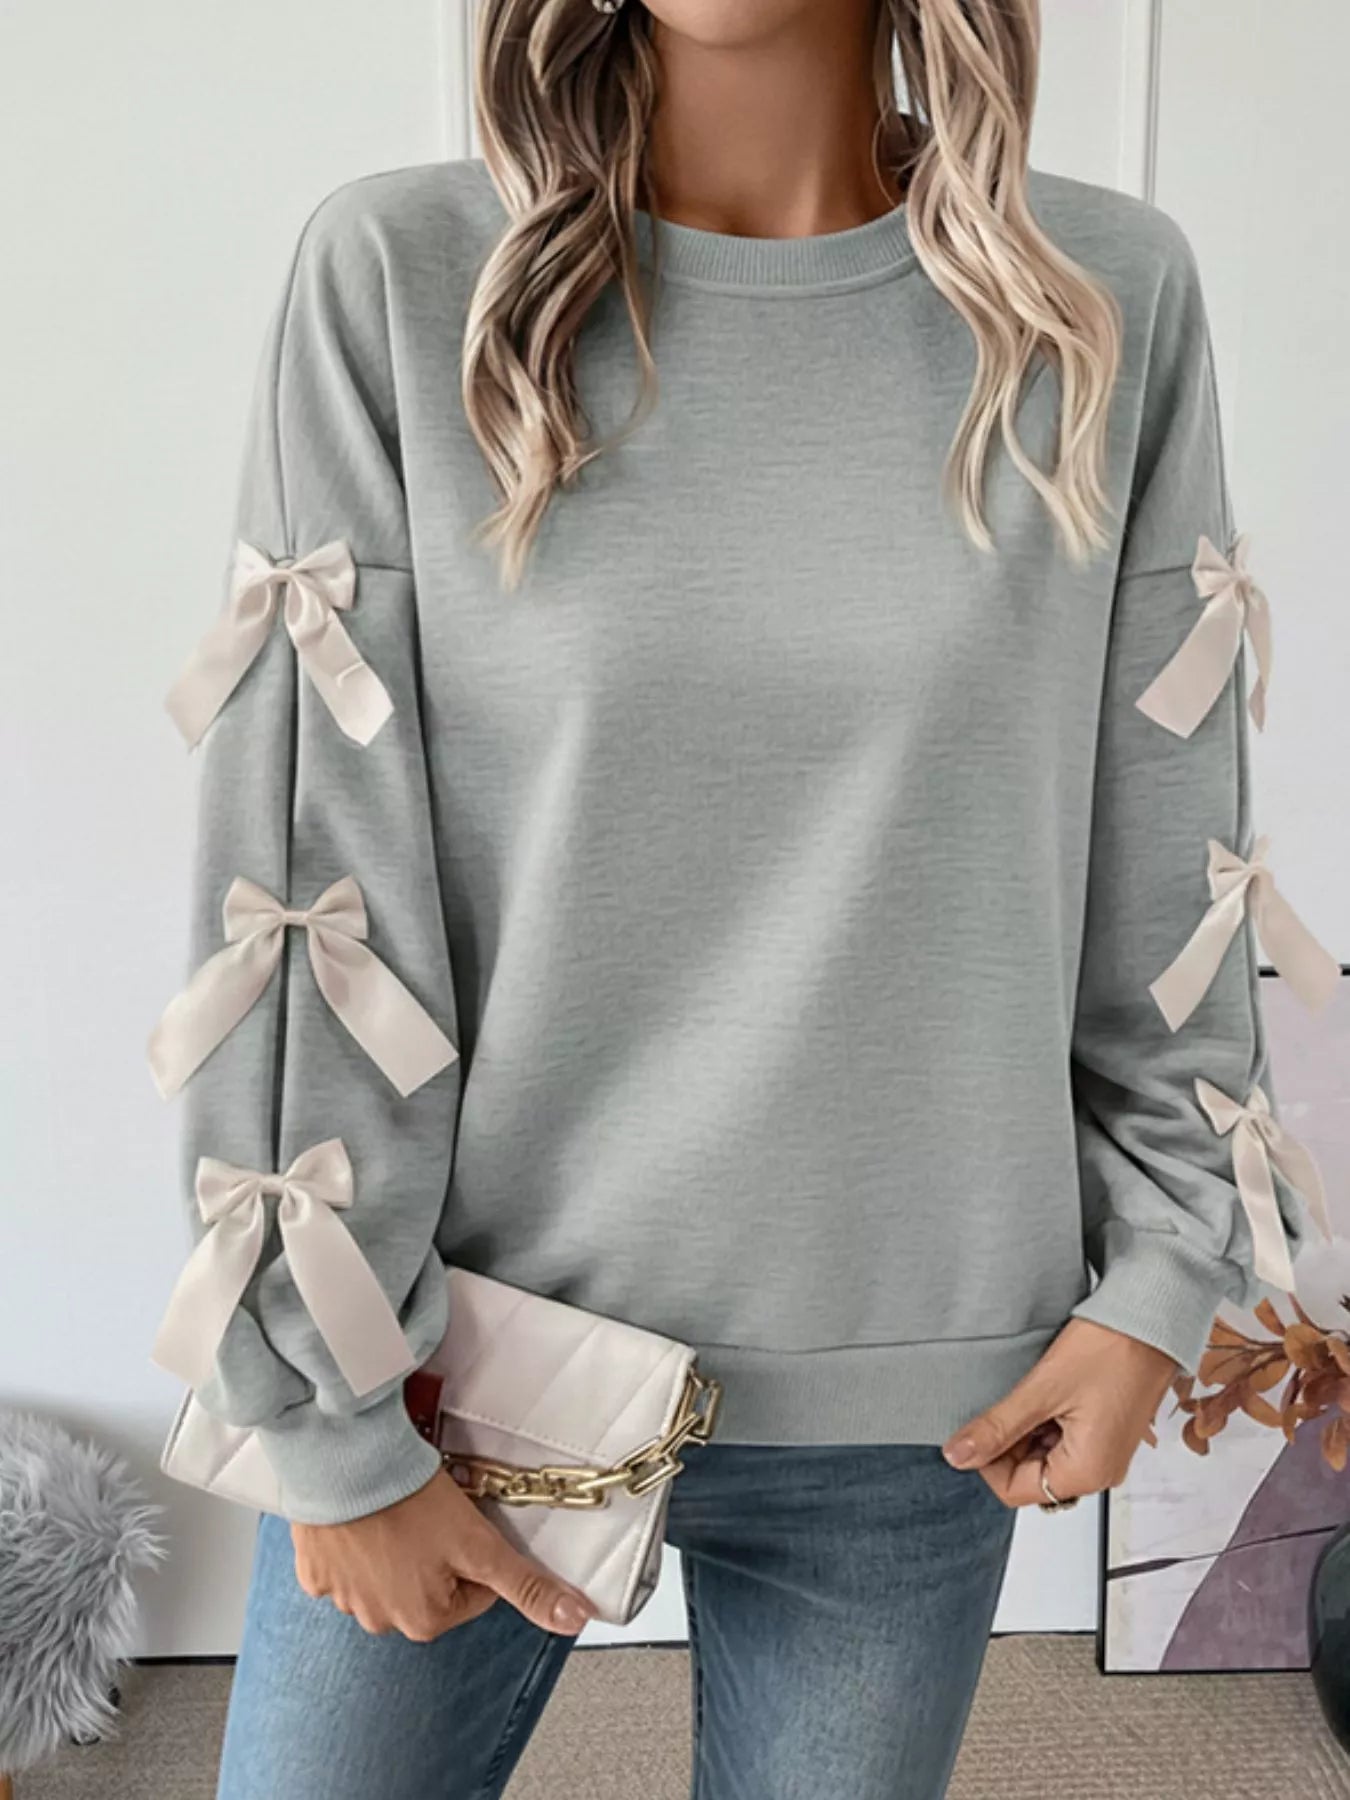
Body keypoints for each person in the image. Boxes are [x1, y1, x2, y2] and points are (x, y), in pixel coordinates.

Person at [152, 2, 1315, 1794]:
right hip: (459, 1368)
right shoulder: (400, 277)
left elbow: (1170, 847)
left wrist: (1158, 1276)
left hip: (925, 1403)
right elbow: (310, 874)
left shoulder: (1102, 298)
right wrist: (324, 1420)